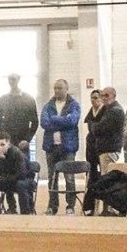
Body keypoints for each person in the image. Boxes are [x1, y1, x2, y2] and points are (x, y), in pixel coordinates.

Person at [39, 80, 83, 214]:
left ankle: (70, 206)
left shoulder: (74, 105)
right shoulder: (48, 105)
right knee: (52, 178)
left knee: (69, 178)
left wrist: (54, 119)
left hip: (68, 148)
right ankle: (52, 206)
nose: (57, 90)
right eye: (55, 88)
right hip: (51, 147)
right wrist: (63, 121)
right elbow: (44, 123)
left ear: (67, 89)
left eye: (60, 88)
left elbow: (72, 121)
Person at [0, 75, 38, 160]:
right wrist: (1, 139)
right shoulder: (2, 99)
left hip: (22, 141)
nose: (11, 82)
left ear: (18, 80)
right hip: (6, 142)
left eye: (13, 79)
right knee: (5, 168)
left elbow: (35, 122)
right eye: (9, 79)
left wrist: (27, 139)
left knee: (23, 168)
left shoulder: (29, 99)